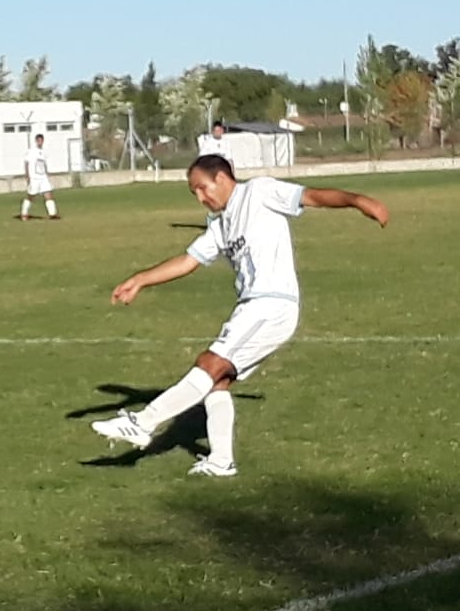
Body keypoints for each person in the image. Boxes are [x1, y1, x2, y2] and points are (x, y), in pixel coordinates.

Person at [91, 154, 389, 477]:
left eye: (202, 188)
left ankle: (143, 423)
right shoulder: (221, 224)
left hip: (271, 305)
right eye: (194, 193)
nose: (200, 198)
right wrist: (140, 279)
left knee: (210, 363)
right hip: (251, 307)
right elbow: (188, 260)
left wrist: (358, 201)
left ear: (221, 178)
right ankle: (221, 461)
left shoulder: (259, 192)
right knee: (218, 381)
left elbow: (312, 196)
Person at [19, 134, 59, 221]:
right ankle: (24, 213)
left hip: (43, 177)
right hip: (34, 178)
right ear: (36, 141)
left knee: (48, 194)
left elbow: (44, 164)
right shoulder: (32, 151)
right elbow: (26, 163)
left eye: (41, 141)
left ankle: (52, 214)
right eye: (38, 141)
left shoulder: (44, 152)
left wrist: (47, 174)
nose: (40, 142)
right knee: (31, 196)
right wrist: (27, 176)